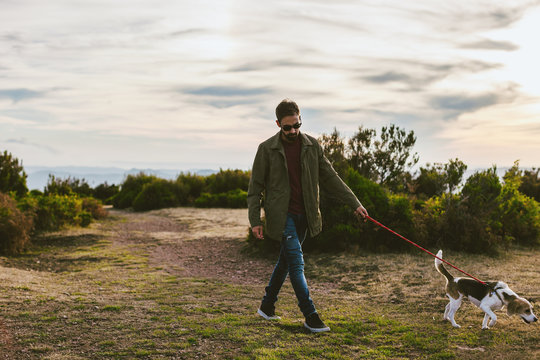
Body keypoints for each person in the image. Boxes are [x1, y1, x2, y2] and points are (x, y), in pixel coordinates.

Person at [247, 99, 368, 333]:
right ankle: (311, 316)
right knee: (296, 264)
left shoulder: (313, 146)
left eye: (297, 125)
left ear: (300, 120)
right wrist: (255, 221)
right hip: (282, 218)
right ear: (278, 124)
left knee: (286, 261)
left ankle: (267, 306)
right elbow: (255, 188)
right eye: (287, 127)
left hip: (306, 216)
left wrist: (355, 203)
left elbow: (331, 178)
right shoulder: (266, 149)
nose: (293, 131)